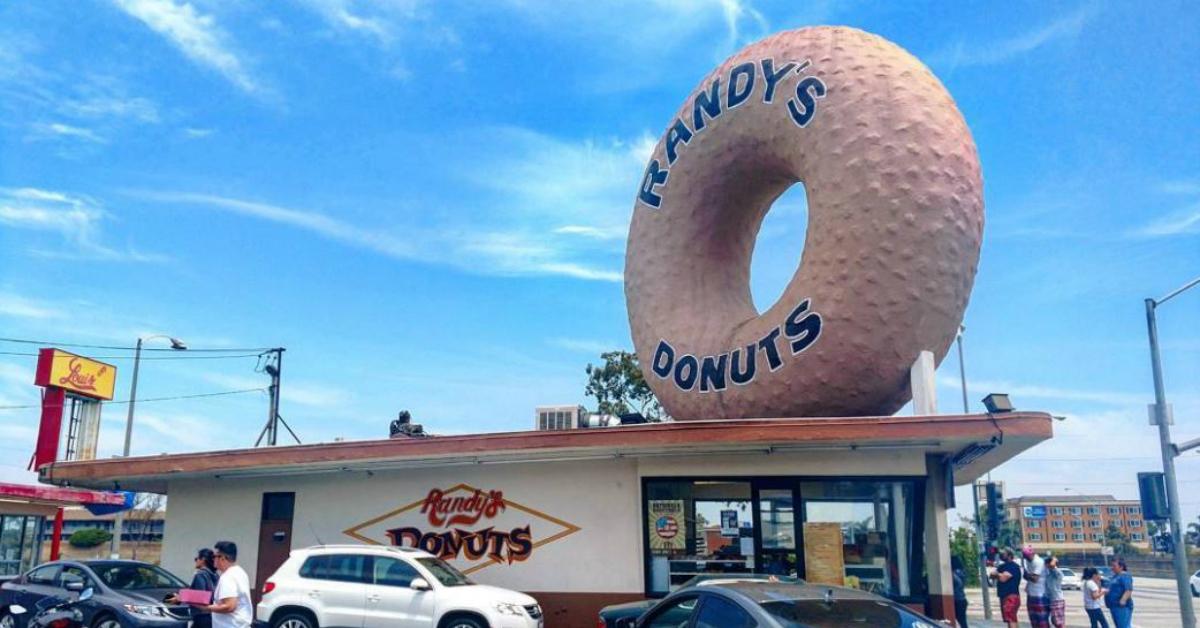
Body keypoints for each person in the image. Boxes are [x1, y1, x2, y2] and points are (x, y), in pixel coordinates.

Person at [189, 541, 253, 628]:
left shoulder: (228, 576)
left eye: (214, 556)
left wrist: (204, 608)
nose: (213, 559)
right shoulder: (240, 572)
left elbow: (229, 606)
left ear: (222, 558)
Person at [168, 548, 219, 628]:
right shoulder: (215, 575)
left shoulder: (200, 574)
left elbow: (201, 597)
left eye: (197, 559)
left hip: (202, 616)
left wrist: (180, 597)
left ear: (203, 559)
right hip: (214, 615)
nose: (196, 561)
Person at [991, 548, 1022, 628]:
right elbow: (991, 575)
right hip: (1004, 595)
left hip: (1011, 596)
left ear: (1009, 555)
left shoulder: (1013, 566)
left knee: (1011, 619)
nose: (1001, 555)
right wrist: (999, 574)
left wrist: (997, 574)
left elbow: (1003, 578)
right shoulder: (1002, 566)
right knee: (1011, 619)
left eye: (1003, 553)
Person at [1022, 545, 1049, 628]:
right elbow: (1027, 576)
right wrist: (1028, 575)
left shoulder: (1038, 562)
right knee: (1034, 621)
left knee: (1042, 621)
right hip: (1031, 593)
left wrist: (1028, 575)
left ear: (1031, 554)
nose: (1025, 557)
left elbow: (1035, 579)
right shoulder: (1028, 561)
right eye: (1024, 556)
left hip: (1040, 594)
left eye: (1026, 556)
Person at [1105, 557, 1133, 628]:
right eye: (1112, 566)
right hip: (1114, 605)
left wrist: (1123, 600)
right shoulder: (1115, 576)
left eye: (1114, 566)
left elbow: (1128, 590)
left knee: (1123, 626)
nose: (1112, 568)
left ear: (1121, 567)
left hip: (1121, 607)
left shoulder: (1124, 575)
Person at [1043, 555, 1065, 628]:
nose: (1045, 564)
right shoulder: (1049, 573)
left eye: (1047, 563)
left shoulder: (1057, 573)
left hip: (1057, 599)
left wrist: (1053, 560)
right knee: (1054, 620)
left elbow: (1053, 565)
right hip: (1050, 599)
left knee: (1058, 622)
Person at [951, 555, 969, 628]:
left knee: (960, 620)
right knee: (962, 621)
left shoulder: (955, 573)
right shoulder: (962, 572)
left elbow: (958, 582)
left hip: (957, 599)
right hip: (962, 599)